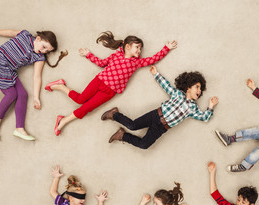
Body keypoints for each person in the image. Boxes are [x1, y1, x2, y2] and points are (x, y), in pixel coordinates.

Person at [44, 31, 177, 136]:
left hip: (109, 92)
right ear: (127, 46)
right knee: (80, 99)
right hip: (99, 81)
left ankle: (62, 121)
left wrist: (167, 48)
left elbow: (154, 59)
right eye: (137, 47)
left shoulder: (137, 62)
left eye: (140, 49)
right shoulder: (116, 55)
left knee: (86, 108)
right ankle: (60, 86)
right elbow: (101, 63)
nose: (139, 51)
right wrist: (88, 54)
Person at [0, 28, 67, 141]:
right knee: (11, 94)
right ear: (38, 38)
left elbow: (37, 76)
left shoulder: (39, 57)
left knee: (23, 94)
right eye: (44, 47)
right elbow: (10, 33)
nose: (44, 51)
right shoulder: (25, 35)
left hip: (8, 70)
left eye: (47, 51)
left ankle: (19, 128)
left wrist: (36, 97)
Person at [102, 66, 218, 149]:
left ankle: (122, 135)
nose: (199, 90)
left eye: (200, 89)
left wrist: (210, 107)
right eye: (197, 87)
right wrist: (156, 74)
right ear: (188, 87)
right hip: (156, 115)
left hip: (162, 128)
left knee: (144, 145)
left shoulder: (193, 108)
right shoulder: (178, 94)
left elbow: (204, 117)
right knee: (133, 125)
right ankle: (114, 114)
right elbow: (166, 86)